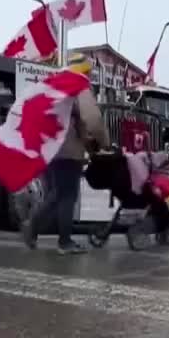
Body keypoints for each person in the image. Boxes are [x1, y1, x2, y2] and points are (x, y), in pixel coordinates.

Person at [23, 55, 110, 254]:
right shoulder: (78, 85)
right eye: (88, 71)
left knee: (56, 194)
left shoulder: (55, 84)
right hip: (67, 149)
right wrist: (104, 143)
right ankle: (63, 242)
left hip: (49, 147)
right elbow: (93, 119)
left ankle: (33, 227)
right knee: (67, 195)